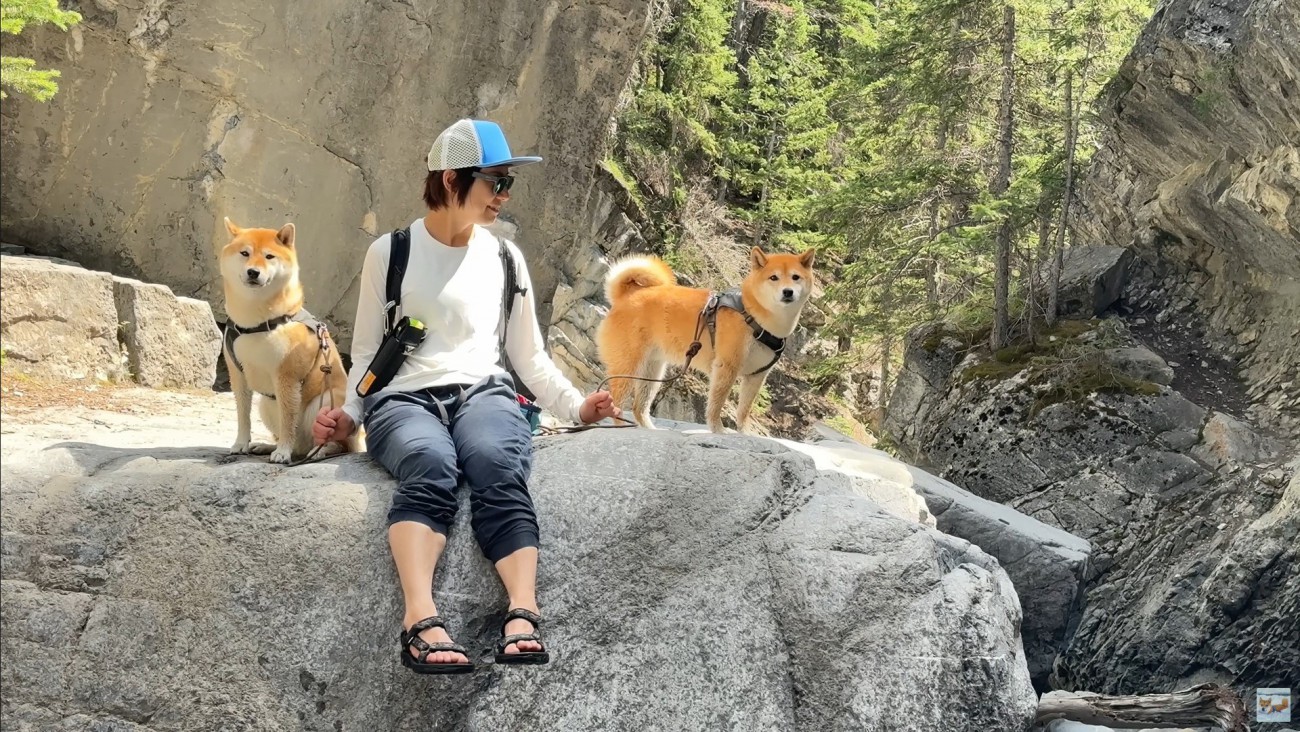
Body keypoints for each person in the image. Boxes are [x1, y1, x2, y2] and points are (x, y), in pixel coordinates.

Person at [311, 119, 621, 674]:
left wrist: (577, 406)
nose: (504, 195)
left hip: (484, 393)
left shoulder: (505, 258)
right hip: (403, 400)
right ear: (452, 179)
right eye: (496, 182)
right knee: (431, 464)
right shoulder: (391, 252)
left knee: (495, 461)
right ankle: (420, 618)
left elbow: (528, 356)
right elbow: (367, 353)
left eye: (508, 183)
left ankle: (523, 612)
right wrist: (350, 416)